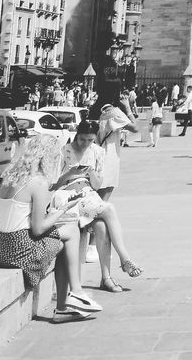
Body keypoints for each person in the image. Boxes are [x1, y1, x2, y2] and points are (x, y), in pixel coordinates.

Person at [0, 135, 102, 320]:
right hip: (20, 251)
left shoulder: (8, 177)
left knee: (63, 239)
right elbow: (38, 229)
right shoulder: (37, 183)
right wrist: (62, 210)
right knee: (71, 231)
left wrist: (18, 216)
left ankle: (70, 301)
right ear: (48, 158)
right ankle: (72, 297)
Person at [57, 121, 142, 292]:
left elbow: (96, 185)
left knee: (102, 226)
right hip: (69, 196)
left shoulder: (97, 152)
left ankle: (107, 278)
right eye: (82, 139)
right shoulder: (64, 151)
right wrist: (70, 174)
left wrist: (90, 172)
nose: (86, 144)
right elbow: (55, 183)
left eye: (90, 140)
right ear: (77, 135)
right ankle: (124, 258)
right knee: (109, 208)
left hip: (89, 195)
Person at [97, 103, 138, 199]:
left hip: (100, 154)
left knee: (99, 195)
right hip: (109, 155)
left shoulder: (103, 113)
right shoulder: (114, 112)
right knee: (104, 194)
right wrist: (128, 108)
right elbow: (135, 128)